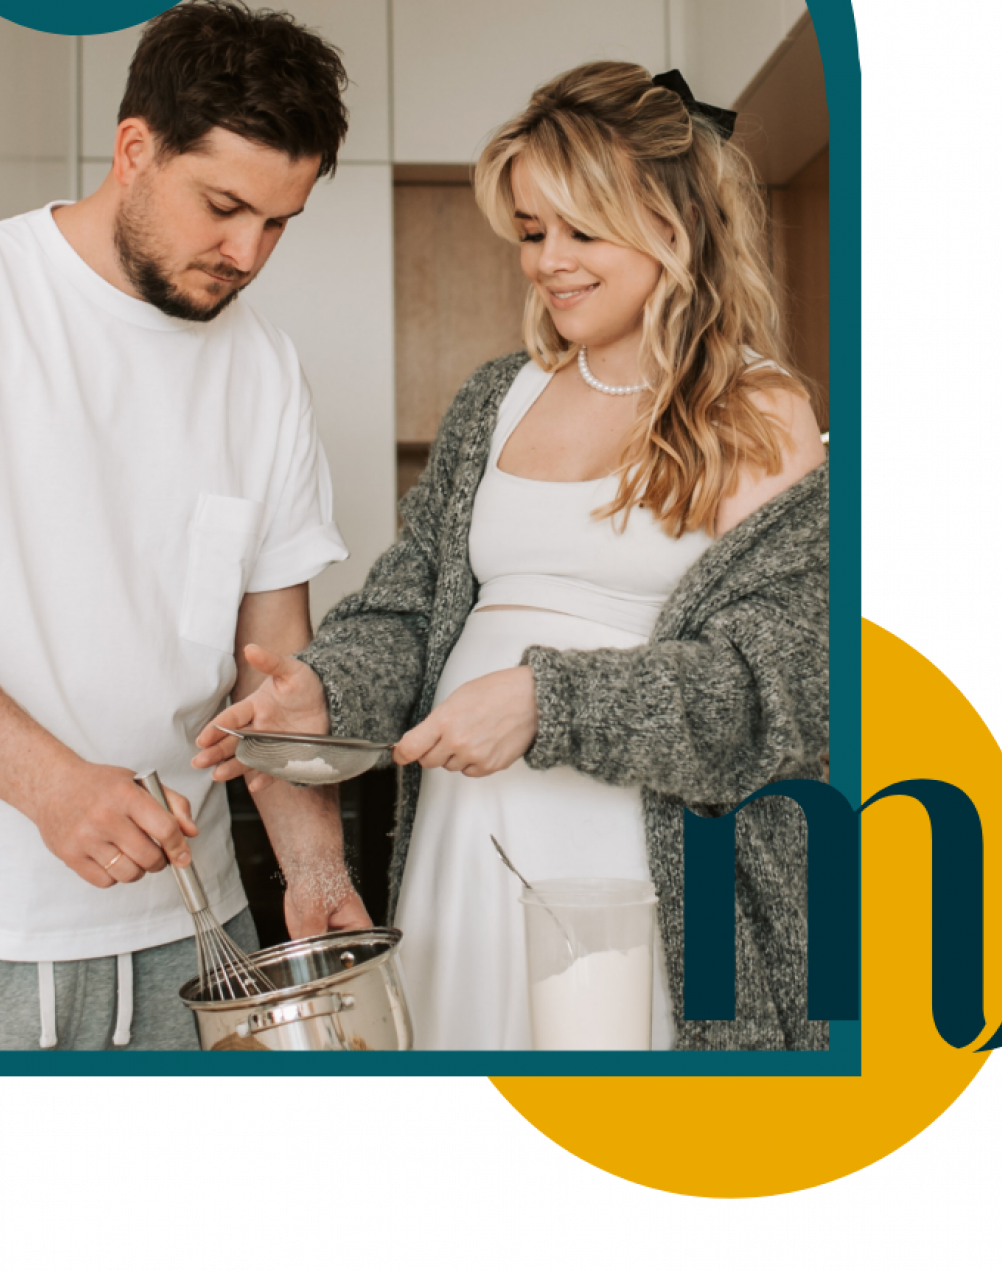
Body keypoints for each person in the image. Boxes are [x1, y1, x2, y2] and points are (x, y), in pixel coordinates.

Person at [195, 61, 828, 1050]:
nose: (548, 261)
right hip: (468, 841)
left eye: (582, 229)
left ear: (676, 226)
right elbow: (407, 611)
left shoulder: (759, 409)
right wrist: (322, 693)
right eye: (532, 231)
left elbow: (781, 687)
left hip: (645, 867)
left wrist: (547, 702)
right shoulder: (498, 398)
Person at [0, 0, 370, 1052]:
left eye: (278, 222)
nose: (250, 252)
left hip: (198, 931)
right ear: (135, 148)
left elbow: (274, 673)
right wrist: (49, 784)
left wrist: (315, 874)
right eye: (224, 205)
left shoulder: (262, 366)